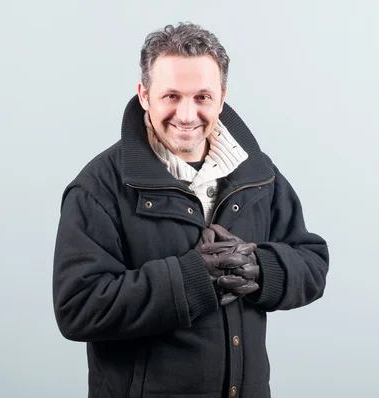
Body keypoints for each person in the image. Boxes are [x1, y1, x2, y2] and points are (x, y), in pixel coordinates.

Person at [52, 22, 330, 398]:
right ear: (144, 96)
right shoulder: (97, 187)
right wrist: (191, 281)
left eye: (202, 96)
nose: (186, 114)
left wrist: (262, 269)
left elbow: (312, 263)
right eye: (171, 96)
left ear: (222, 97)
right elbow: (78, 307)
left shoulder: (257, 173)